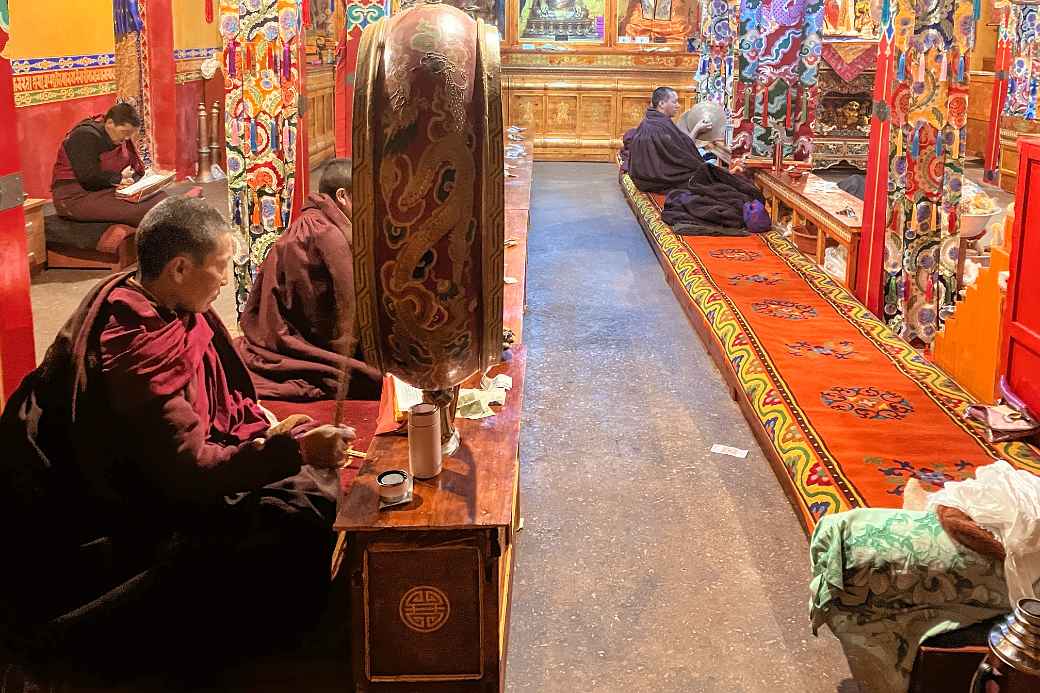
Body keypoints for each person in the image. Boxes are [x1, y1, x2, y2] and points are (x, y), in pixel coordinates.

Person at [0, 197, 356, 684]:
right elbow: (189, 471)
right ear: (181, 268)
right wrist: (293, 452)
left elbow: (218, 398)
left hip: (174, 464)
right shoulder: (135, 342)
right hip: (134, 508)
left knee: (309, 484)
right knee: (297, 514)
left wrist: (261, 427)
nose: (227, 280)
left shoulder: (164, 299)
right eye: (221, 266)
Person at [237, 157, 383, 402]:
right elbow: (352, 309)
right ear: (342, 196)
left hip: (288, 334)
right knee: (376, 380)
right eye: (366, 196)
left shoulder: (318, 222)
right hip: (301, 345)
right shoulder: (325, 234)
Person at [622, 87, 767, 235]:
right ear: (661, 104)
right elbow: (682, 154)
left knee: (711, 175)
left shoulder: (652, 121)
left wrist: (696, 133)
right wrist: (699, 164)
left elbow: (678, 150)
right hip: (659, 179)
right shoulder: (660, 126)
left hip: (644, 178)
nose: (678, 105)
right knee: (714, 182)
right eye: (674, 102)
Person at [50, 102, 168, 227]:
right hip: (76, 197)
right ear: (110, 123)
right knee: (144, 210)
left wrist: (130, 179)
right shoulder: (84, 136)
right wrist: (118, 179)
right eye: (125, 132)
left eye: (130, 134)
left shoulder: (117, 137)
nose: (127, 138)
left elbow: (129, 166)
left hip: (105, 190)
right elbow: (88, 178)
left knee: (160, 198)